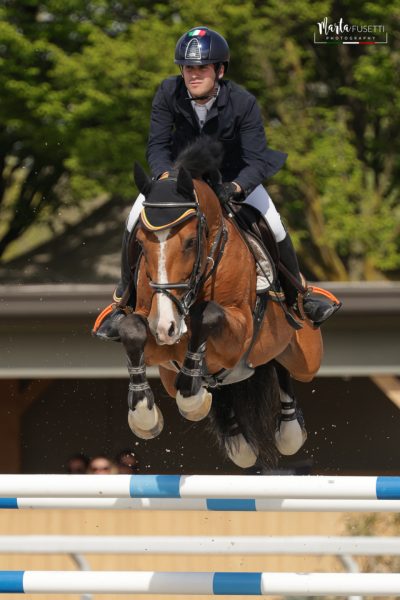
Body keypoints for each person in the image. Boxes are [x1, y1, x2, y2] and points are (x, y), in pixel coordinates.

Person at [94, 26, 340, 341]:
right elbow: (157, 146)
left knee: (274, 223)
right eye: (188, 68)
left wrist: (236, 188)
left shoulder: (243, 102)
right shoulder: (168, 93)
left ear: (219, 70)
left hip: (234, 179)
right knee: (133, 219)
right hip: (179, 181)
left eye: (202, 68)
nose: (194, 75)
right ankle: (123, 301)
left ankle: (300, 297)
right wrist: (166, 177)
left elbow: (257, 160)